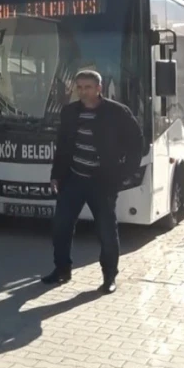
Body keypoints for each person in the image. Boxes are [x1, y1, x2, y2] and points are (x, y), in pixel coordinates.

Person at [42, 69, 143, 294]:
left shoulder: (117, 113)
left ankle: (109, 278)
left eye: (87, 87)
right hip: (73, 180)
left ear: (99, 88)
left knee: (107, 231)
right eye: (79, 87)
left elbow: (137, 145)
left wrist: (121, 175)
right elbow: (63, 147)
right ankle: (62, 270)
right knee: (61, 226)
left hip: (103, 183)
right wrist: (56, 175)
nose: (83, 92)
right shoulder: (69, 112)